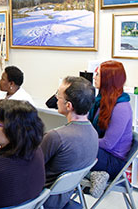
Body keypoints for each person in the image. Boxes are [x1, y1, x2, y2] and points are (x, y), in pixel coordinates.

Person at [40, 76, 98, 208]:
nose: (55, 99)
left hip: (43, 199)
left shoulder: (56, 137)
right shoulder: (93, 134)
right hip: (64, 195)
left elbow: (27, 165)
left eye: (58, 96)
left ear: (68, 105)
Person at [88, 60, 132, 196]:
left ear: (108, 79)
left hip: (113, 161)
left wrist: (84, 139)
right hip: (102, 153)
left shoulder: (121, 107)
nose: (94, 77)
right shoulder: (102, 100)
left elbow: (108, 144)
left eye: (98, 75)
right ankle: (94, 175)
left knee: (71, 148)